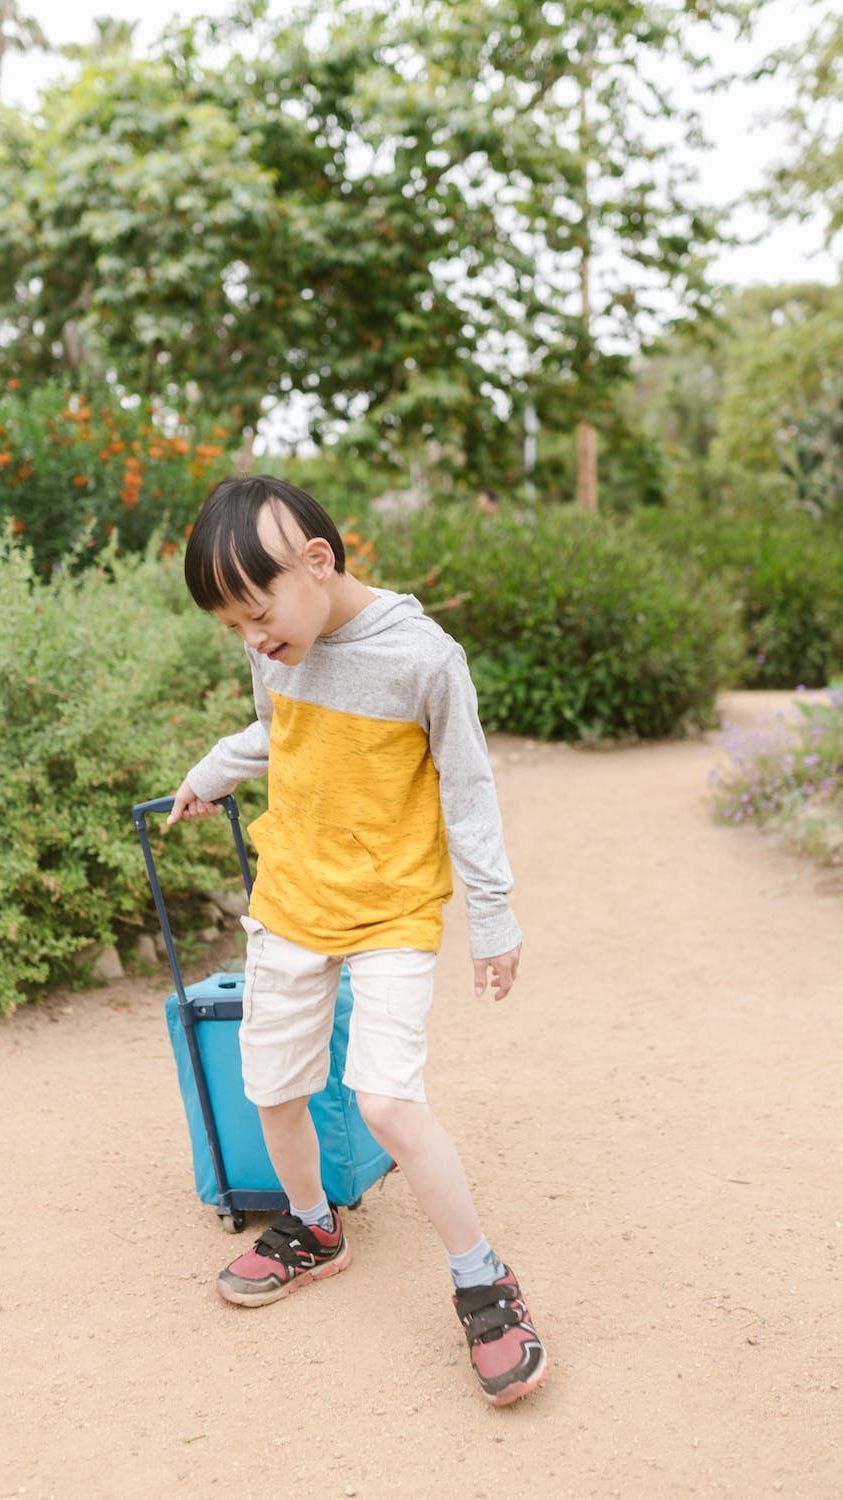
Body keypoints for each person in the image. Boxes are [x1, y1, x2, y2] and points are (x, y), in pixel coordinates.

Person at [168, 473, 548, 1406]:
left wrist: (492, 919)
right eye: (234, 628)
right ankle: (312, 1228)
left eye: (256, 614)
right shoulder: (278, 651)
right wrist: (209, 774)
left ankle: (481, 1278)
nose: (253, 640)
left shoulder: (424, 659)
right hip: (295, 895)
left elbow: (468, 792)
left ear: (318, 562)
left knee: (384, 1101)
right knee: (272, 1083)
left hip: (391, 911)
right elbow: (274, 734)